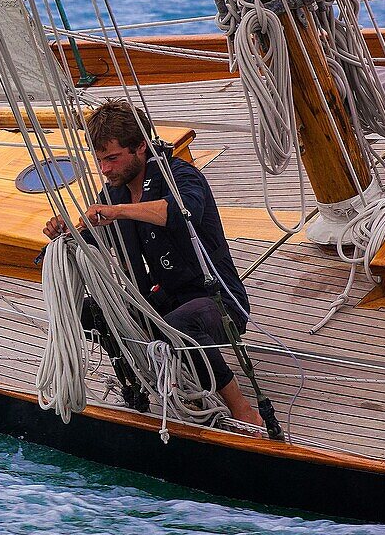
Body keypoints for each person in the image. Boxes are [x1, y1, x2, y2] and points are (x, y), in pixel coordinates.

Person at [43, 99, 265, 429]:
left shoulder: (180, 176)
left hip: (216, 302)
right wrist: (66, 232)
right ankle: (137, 392)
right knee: (89, 311)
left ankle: (242, 407)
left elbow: (181, 212)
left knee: (179, 324)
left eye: (113, 158)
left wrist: (117, 213)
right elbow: (94, 239)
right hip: (160, 301)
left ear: (141, 148)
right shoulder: (114, 194)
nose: (105, 169)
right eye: (101, 160)